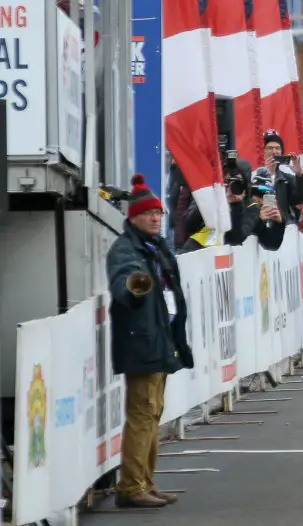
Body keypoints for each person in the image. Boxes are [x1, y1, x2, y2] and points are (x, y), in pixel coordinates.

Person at [106, 175, 194, 508]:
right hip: (140, 342)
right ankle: (130, 487)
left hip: (159, 338)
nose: (156, 218)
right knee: (142, 414)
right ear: (133, 216)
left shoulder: (155, 246)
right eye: (149, 214)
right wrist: (136, 285)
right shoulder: (125, 249)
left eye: (159, 213)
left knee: (153, 413)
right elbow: (124, 282)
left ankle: (145, 481)